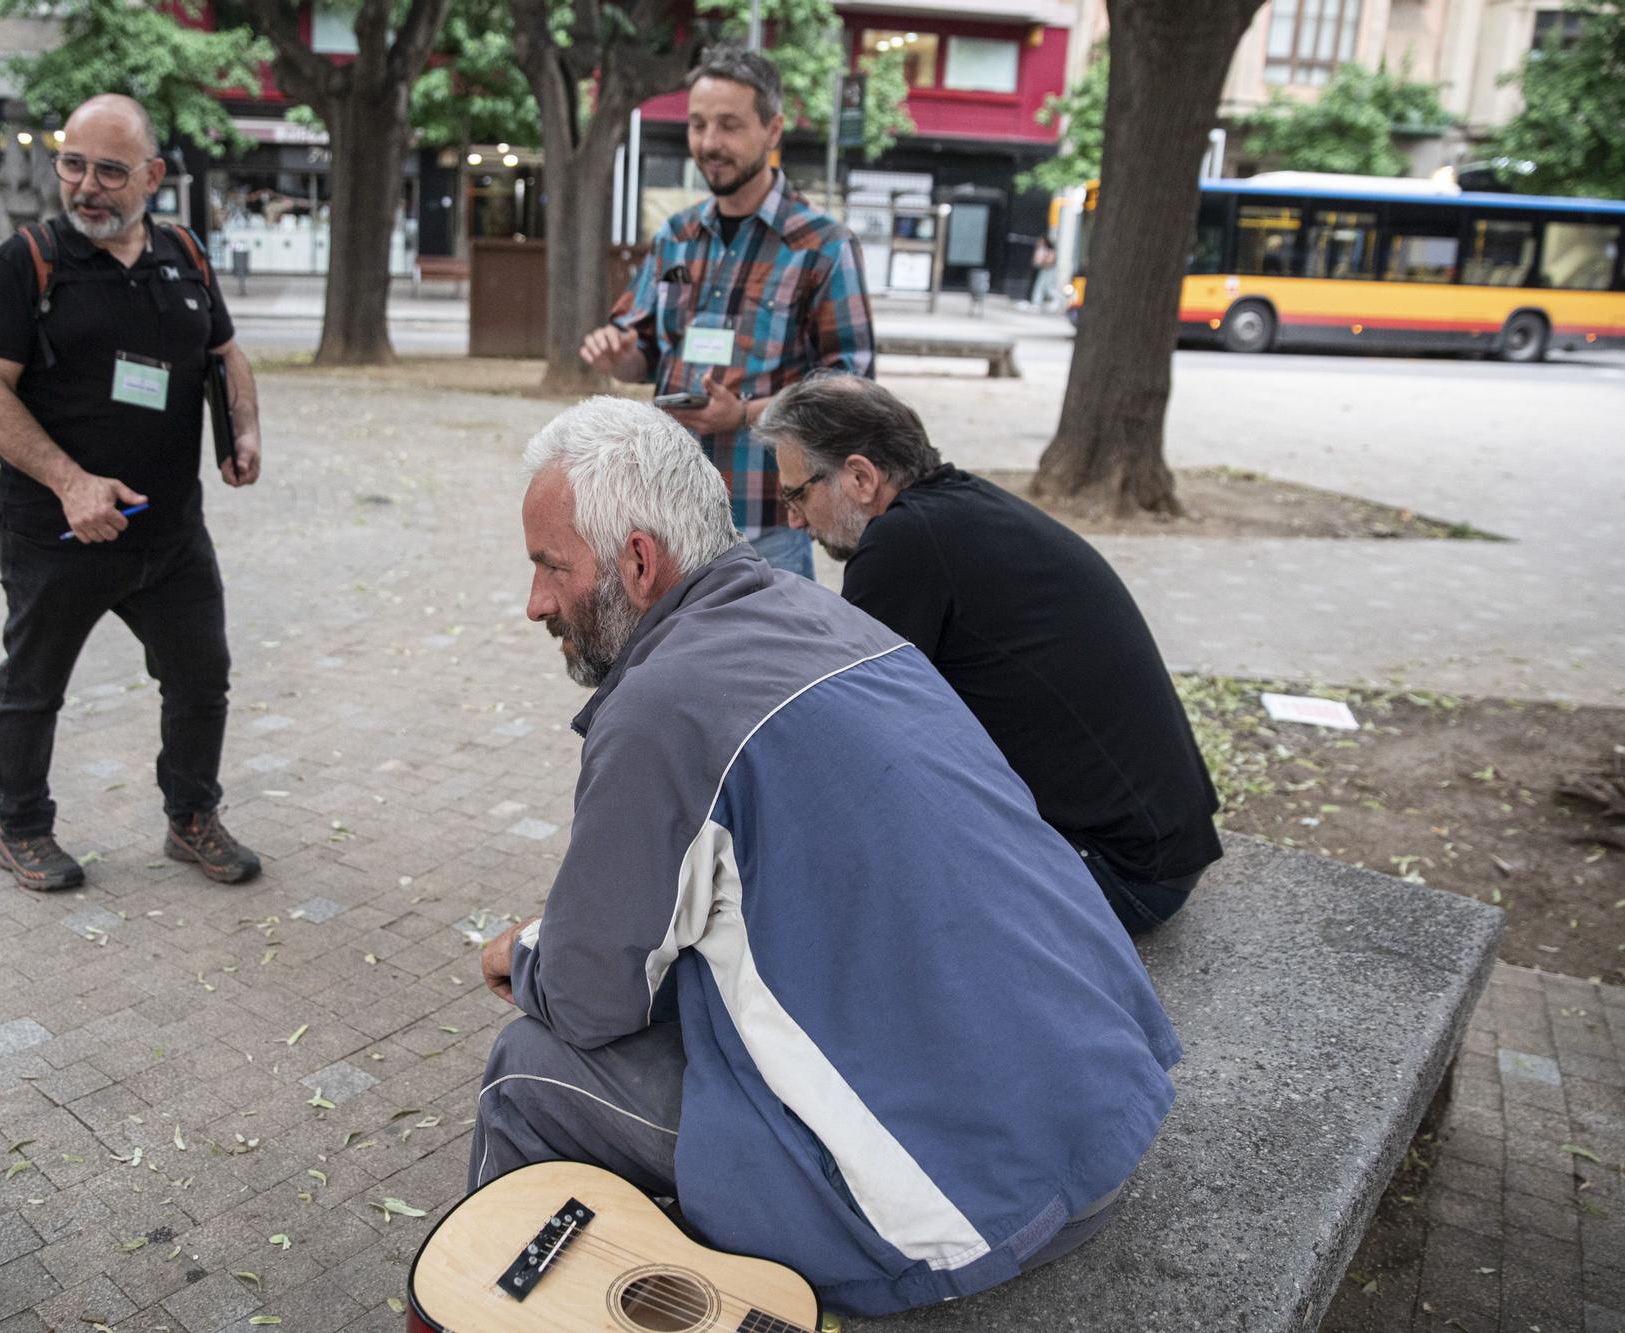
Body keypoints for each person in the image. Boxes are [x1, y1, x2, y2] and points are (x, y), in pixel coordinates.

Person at [469, 395, 1180, 1317]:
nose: (535, 603)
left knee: (527, 1064)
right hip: (1101, 1104)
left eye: (549, 568)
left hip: (969, 1203)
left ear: (638, 563)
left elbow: (590, 995)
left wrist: (524, 951)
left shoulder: (662, 709)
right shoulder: (835, 621)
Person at [758, 374, 1222, 933]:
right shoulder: (958, 508)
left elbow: (841, 727)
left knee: (813, 892)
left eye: (795, 493)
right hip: (1156, 852)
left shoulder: (902, 544)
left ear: (859, 476)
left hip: (1118, 874)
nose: (793, 519)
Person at [0, 94, 263, 893]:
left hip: (170, 535)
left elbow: (228, 355)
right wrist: (70, 482)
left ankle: (190, 816)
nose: (86, 185)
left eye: (110, 171)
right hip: (58, 533)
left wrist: (245, 430)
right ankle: (20, 828)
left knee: (202, 677)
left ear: (154, 176)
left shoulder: (185, 256)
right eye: (73, 164)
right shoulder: (25, 264)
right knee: (33, 687)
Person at [578, 45, 873, 580]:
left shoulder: (824, 246)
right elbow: (640, 352)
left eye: (730, 125)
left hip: (768, 523)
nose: (709, 144)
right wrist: (617, 355)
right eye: (698, 125)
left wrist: (743, 414)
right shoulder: (676, 236)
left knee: (775, 665)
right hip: (670, 515)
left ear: (773, 129)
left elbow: (851, 387)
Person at [1027, 233, 1056, 311]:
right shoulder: (1041, 248)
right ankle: (1036, 302)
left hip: (1048, 270)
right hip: (1043, 269)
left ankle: (1057, 300)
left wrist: (1043, 262)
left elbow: (1051, 261)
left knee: (1048, 288)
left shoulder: (1050, 250)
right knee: (1039, 286)